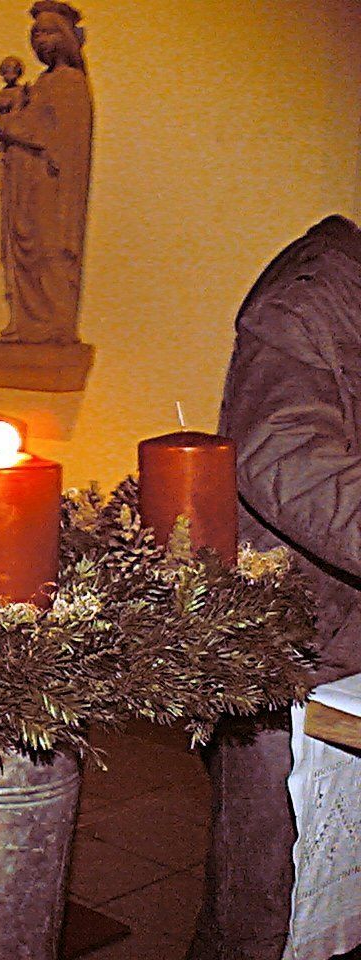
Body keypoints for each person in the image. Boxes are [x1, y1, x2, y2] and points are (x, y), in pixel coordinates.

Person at [189, 215, 361, 960]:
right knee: (264, 905)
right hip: (295, 648)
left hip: (342, 643)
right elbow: (283, 454)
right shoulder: (311, 294)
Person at [0, 0, 93, 344]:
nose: (40, 40)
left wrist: (12, 129)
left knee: (48, 251)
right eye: (36, 33)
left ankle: (53, 322)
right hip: (25, 184)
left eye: (49, 32)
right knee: (24, 254)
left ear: (66, 37)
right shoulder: (40, 84)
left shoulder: (69, 83)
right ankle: (26, 322)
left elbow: (59, 138)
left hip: (51, 188)